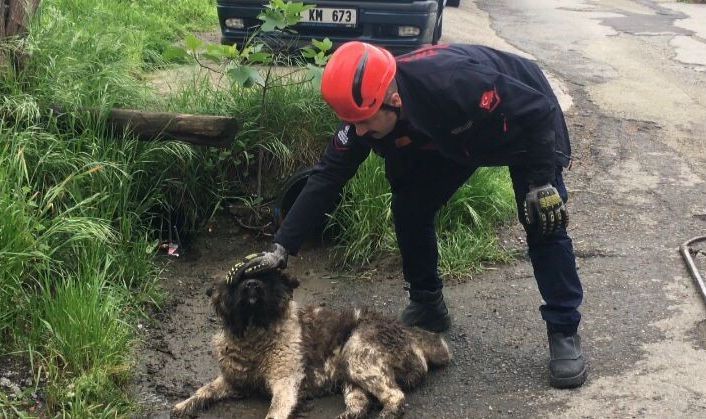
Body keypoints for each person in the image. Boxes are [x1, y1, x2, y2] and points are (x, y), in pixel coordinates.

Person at [238, 41, 587, 389]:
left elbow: (537, 108)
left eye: (363, 122)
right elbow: (328, 175)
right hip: (449, 136)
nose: (358, 132)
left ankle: (563, 329)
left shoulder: (452, 83)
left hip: (521, 124)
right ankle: (427, 302)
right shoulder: (368, 110)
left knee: (543, 219)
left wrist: (541, 182)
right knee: (409, 205)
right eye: (351, 122)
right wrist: (281, 249)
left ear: (394, 100)